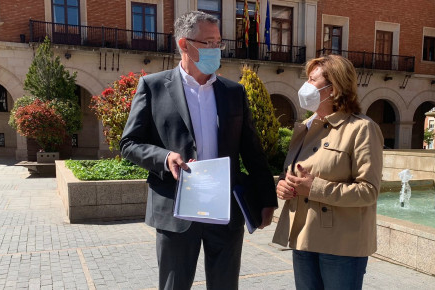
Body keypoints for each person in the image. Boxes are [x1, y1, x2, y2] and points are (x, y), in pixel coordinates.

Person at [120, 11, 277, 290]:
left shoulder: (233, 92)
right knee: (174, 285)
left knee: (225, 285)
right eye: (208, 43)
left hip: (224, 210)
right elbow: (129, 144)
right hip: (177, 208)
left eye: (219, 42)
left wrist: (267, 199)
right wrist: (165, 157)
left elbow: (252, 152)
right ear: (184, 44)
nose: (216, 50)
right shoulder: (153, 87)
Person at [272, 54, 383, 290]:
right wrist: (283, 185)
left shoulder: (361, 128)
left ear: (334, 88)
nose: (306, 86)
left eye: (313, 80)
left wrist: (314, 188)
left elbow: (369, 191)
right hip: (303, 237)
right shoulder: (306, 127)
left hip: (341, 246)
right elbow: (294, 174)